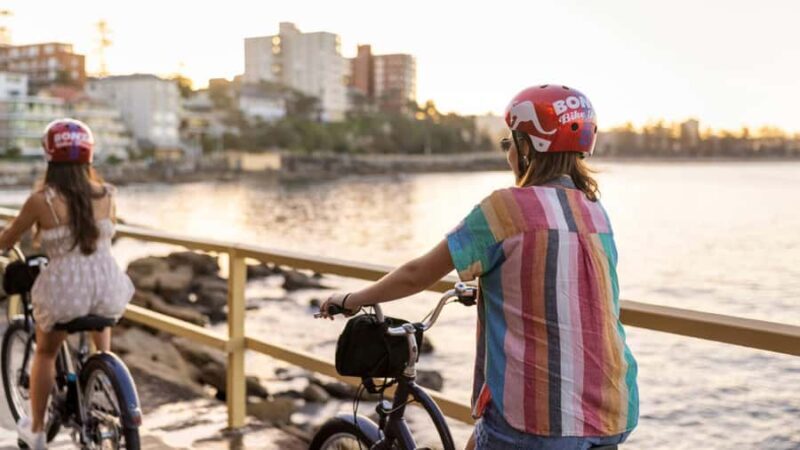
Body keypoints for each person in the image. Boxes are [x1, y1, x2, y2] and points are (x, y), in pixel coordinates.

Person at [319, 85, 639, 449]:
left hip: (538, 417)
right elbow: (566, 280)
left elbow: (418, 274)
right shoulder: (595, 211)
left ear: (527, 147)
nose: (508, 153)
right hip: (610, 406)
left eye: (509, 143)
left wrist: (350, 298)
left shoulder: (506, 209)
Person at [0, 118, 134, 449]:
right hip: (105, 283)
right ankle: (102, 375)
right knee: (99, 325)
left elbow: (9, 239)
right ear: (89, 155)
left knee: (45, 352)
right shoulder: (106, 194)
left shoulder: (41, 200)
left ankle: (36, 429)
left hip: (64, 290)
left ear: (49, 155)